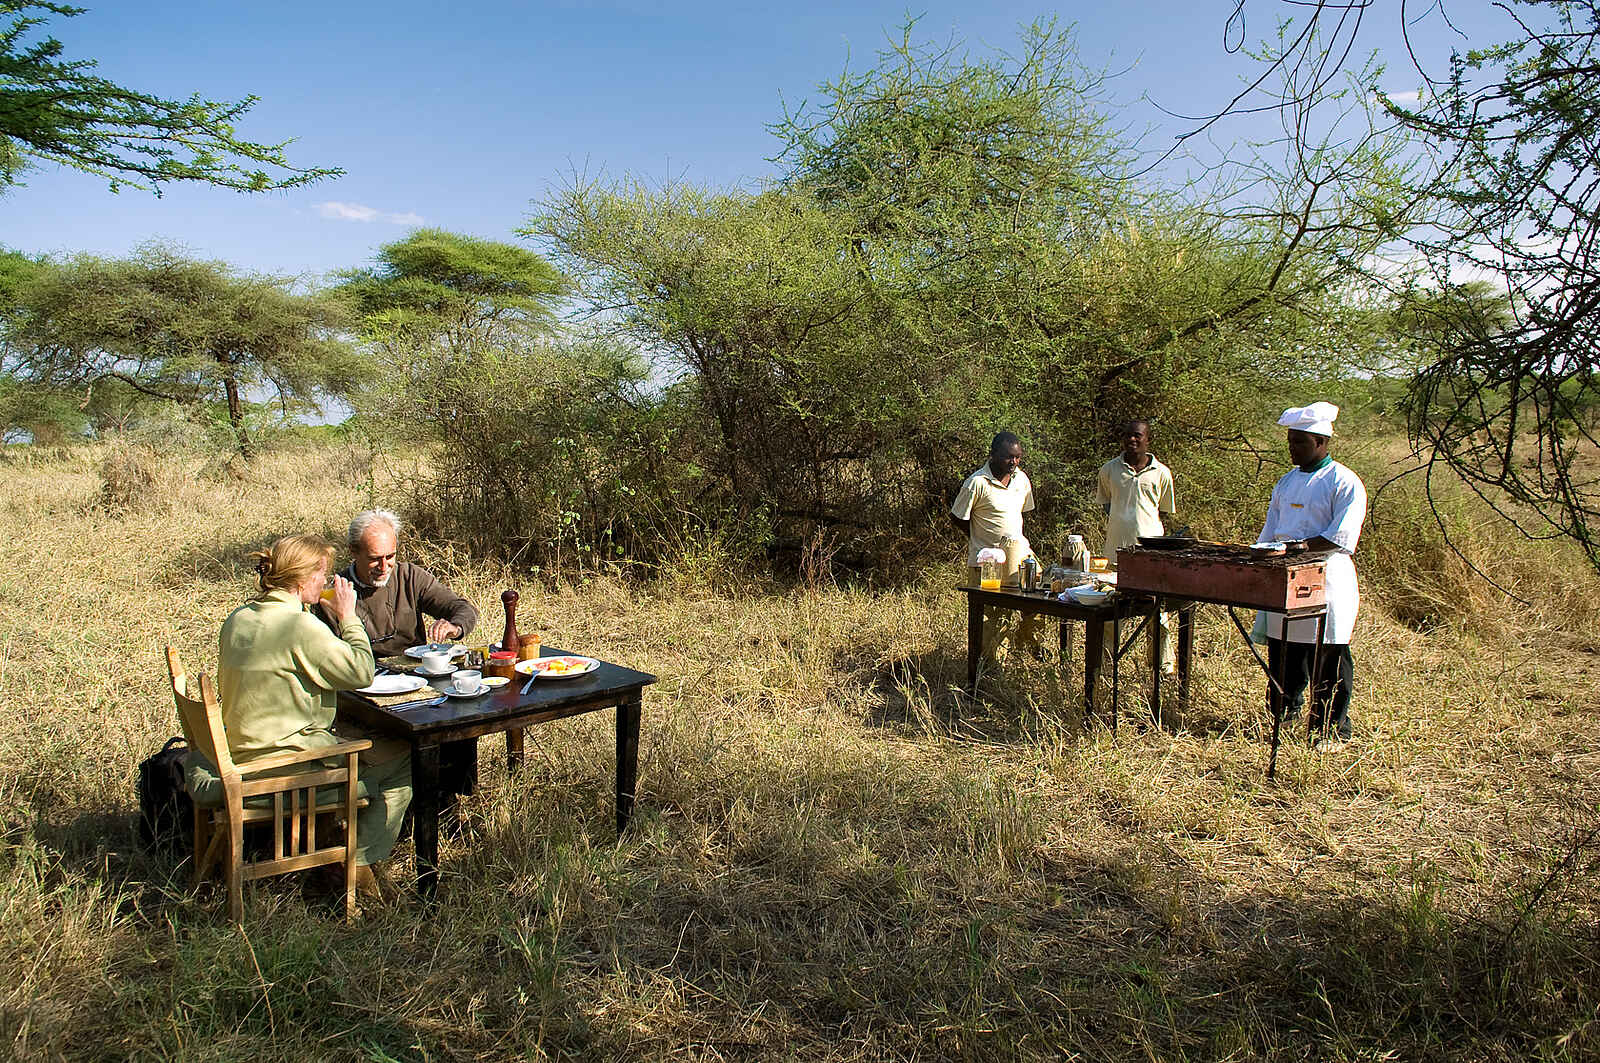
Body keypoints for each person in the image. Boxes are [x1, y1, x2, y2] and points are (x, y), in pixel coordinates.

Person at [187, 533, 413, 897]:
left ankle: (326, 845)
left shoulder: (238, 618)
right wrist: (348, 618)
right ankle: (357, 863)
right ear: (302, 579)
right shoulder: (300, 627)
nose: (327, 581)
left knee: (357, 742)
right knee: (402, 760)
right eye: (322, 574)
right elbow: (361, 672)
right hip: (279, 771)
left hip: (236, 755)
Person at [1256, 402, 1367, 752]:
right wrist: (1260, 555)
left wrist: (1298, 547)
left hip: (1327, 577)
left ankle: (1331, 730)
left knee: (1328, 655)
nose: (1292, 448)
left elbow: (1340, 536)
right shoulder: (1286, 482)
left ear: (1321, 442)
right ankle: (1284, 715)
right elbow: (1270, 531)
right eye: (1290, 441)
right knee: (1284, 653)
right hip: (1285, 576)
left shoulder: (1344, 481)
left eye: (1300, 442)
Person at [331, 509, 479, 658]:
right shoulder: (334, 592)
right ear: (353, 551)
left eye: (390, 556)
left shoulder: (410, 577)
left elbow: (463, 608)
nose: (383, 567)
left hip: (415, 670)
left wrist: (455, 627)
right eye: (374, 559)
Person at [1095, 418, 1177, 673]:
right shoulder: (1109, 470)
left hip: (1150, 557)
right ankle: (1107, 668)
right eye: (1128, 435)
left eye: (1137, 436)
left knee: (1157, 613)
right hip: (1115, 554)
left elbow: (1163, 511)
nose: (1132, 440)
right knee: (1111, 611)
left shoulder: (1161, 473)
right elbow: (1107, 504)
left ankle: (1162, 667)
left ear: (1147, 440)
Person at [951, 431, 1041, 661]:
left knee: (1039, 600)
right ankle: (990, 667)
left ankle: (1024, 643)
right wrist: (981, 542)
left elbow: (1021, 513)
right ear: (992, 455)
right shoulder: (977, 483)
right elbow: (958, 517)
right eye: (1008, 457)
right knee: (993, 619)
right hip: (988, 562)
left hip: (1019, 557)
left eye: (1017, 457)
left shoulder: (1021, 479)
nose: (1013, 462)